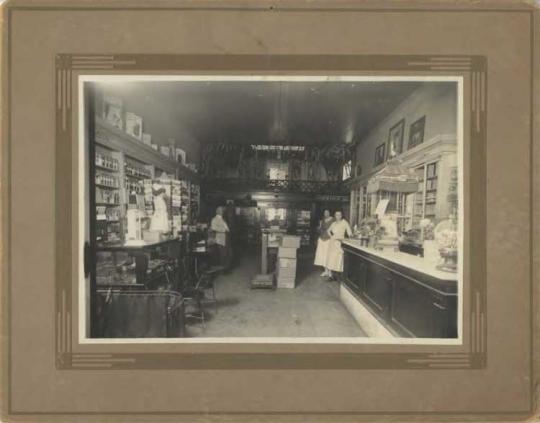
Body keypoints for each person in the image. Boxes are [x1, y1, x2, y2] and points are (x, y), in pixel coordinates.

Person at [326, 211, 353, 277]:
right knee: (331, 258)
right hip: (332, 242)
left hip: (340, 242)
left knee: (339, 258)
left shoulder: (344, 222)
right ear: (335, 216)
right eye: (336, 215)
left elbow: (349, 232)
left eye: (339, 215)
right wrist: (332, 236)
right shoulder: (333, 223)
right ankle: (330, 275)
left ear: (341, 215)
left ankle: (338, 275)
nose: (338, 216)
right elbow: (328, 231)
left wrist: (351, 237)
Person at [314, 209, 334, 277]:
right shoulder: (322, 220)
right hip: (322, 239)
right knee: (322, 255)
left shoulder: (332, 220)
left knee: (329, 255)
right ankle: (325, 271)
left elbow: (334, 230)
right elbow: (320, 230)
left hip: (329, 239)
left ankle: (330, 271)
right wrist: (319, 227)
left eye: (327, 212)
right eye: (325, 212)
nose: (326, 214)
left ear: (330, 213)